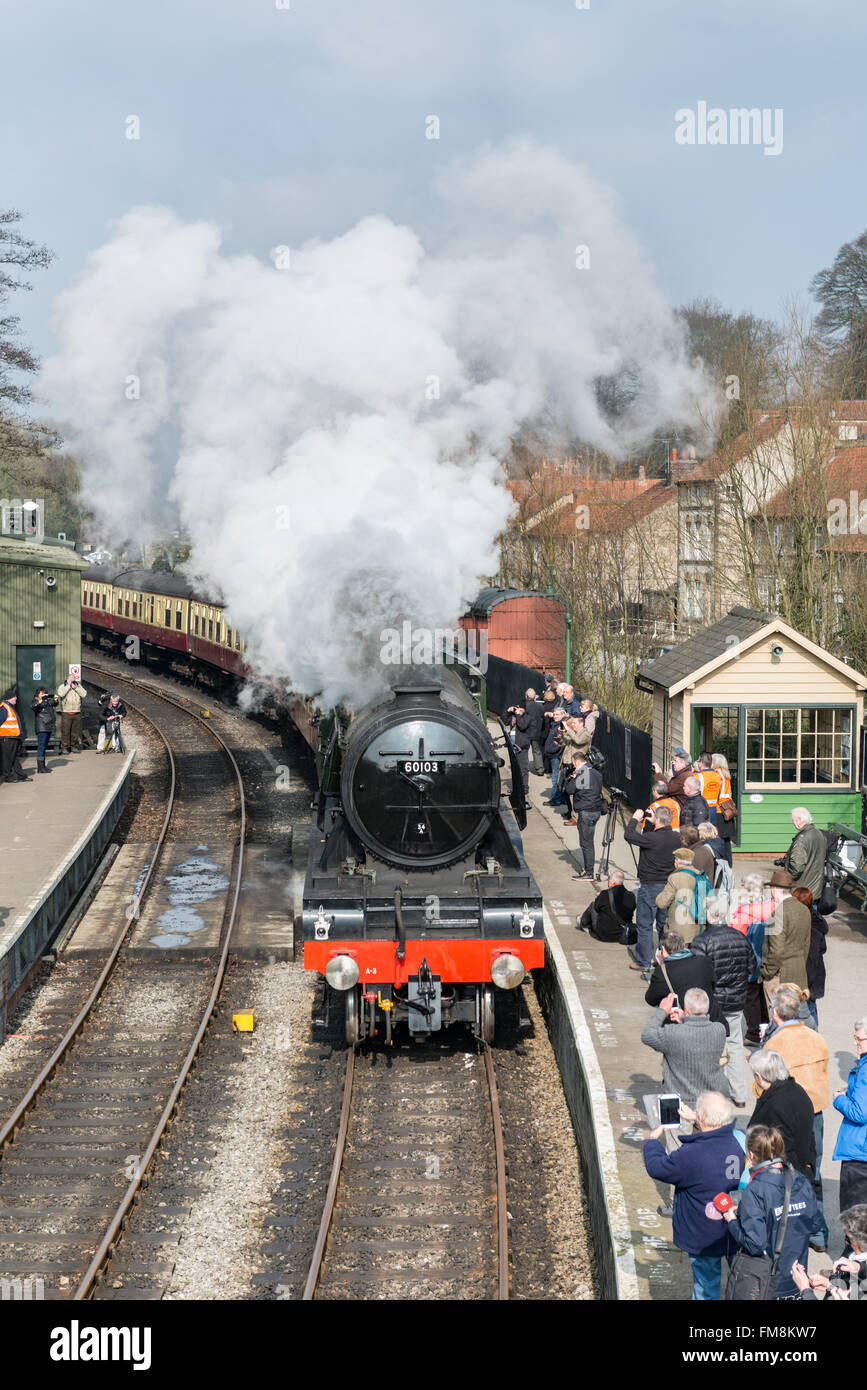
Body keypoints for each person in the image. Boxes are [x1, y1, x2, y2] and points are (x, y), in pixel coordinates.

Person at [643, 1091, 744, 1300]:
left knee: (706, 1286)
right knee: (743, 1280)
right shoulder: (741, 1141)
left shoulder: (690, 1154)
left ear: (700, 1117)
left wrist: (653, 1141)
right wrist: (696, 1118)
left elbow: (658, 1167)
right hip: (736, 1227)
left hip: (702, 1232)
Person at [762, 986, 831, 1251]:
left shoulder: (775, 1043)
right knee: (813, 1170)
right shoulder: (816, 1038)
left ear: (776, 1013)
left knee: (786, 1172)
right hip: (816, 1111)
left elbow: (763, 1087)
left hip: (786, 1115)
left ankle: (791, 1230)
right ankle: (818, 1233)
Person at [721, 1124, 820, 1299]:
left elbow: (754, 1244)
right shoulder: (802, 1181)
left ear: (751, 1155)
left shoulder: (755, 1189)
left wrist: (731, 1221)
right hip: (798, 1279)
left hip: (768, 1282)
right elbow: (814, 1225)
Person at [691, 895, 757, 1108]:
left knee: (709, 1048)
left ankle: (710, 1094)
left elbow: (697, 974)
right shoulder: (741, 937)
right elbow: (751, 967)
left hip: (712, 1003)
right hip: (736, 1002)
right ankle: (739, 1094)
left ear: (709, 914)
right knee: (735, 1046)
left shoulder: (702, 941)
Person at [641, 988, 731, 1106]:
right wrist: (685, 1018)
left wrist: (662, 1010)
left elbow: (647, 1035)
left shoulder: (673, 1033)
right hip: (710, 1103)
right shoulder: (719, 1029)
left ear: (686, 1009)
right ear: (707, 1008)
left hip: (679, 1104)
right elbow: (697, 1034)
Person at [624, 804, 682, 974]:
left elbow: (629, 835)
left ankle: (643, 961)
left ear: (657, 820)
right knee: (664, 924)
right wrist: (653, 821)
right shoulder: (676, 838)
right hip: (668, 886)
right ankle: (663, 957)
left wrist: (635, 818)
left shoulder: (651, 838)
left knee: (645, 924)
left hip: (650, 885)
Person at [748, 1050, 816, 1180]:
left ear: (759, 1077)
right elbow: (809, 1133)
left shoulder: (776, 1106)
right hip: (801, 1167)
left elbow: (783, 1148)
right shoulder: (798, 1090)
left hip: (783, 1179)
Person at [643, 930, 725, 1027]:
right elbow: (713, 985)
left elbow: (651, 999)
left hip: (685, 1025)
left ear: (663, 949)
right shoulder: (704, 962)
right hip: (712, 1021)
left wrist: (662, 965)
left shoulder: (662, 972)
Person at [731, 873, 775, 1044]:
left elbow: (736, 936)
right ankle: (766, 1028)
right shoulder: (772, 906)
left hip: (749, 959)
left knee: (750, 997)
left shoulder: (744, 911)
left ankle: (753, 1033)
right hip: (767, 958)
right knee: (763, 996)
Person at [760, 868, 811, 1008]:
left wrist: (767, 972)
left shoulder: (777, 914)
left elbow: (776, 951)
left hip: (779, 976)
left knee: (778, 1021)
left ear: (774, 889)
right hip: (799, 972)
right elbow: (806, 944)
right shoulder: (804, 910)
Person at [832, 1016, 867, 1210]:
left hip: (859, 1155)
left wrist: (840, 1099)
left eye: (859, 1039)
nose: (855, 1043)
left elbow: (860, 1113)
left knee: (854, 1220)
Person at [655, 845, 705, 944]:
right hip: (698, 929)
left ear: (677, 862)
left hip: (679, 932)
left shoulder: (675, 878)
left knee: (678, 958)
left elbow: (661, 903)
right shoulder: (701, 875)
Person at [565, 750, 604, 880]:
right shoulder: (596, 773)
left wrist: (574, 778)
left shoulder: (583, 773)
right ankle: (588, 869)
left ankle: (589, 872)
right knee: (588, 841)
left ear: (576, 761)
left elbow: (570, 790)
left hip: (587, 812)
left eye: (573, 763)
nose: (573, 766)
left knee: (586, 843)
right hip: (596, 810)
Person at [782, 807, 828, 901]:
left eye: (793, 820)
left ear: (799, 820)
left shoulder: (801, 840)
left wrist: (786, 879)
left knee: (799, 915)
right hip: (815, 890)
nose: (793, 823)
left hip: (801, 892)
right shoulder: (820, 834)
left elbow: (797, 867)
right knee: (811, 915)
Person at [577, 869, 635, 941]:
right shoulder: (631, 896)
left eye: (609, 879)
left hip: (603, 934)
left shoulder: (605, 894)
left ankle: (583, 923)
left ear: (612, 882)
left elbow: (596, 908)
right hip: (622, 933)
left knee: (593, 905)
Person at [803, 889, 828, 1029]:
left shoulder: (810, 927)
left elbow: (811, 957)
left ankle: (813, 1039)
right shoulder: (817, 920)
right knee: (811, 1008)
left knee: (809, 1010)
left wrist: (807, 982)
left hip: (811, 977)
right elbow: (823, 949)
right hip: (817, 973)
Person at [0, 686, 30, 782]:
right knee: (8, 758)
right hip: (7, 738)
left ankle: (21, 775)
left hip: (13, 737)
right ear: (10, 698)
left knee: (14, 758)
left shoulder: (9, 707)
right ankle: (8, 776)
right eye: (14, 697)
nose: (16, 698)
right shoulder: (4, 709)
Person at [712, 753, 736, 867]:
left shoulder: (717, 775)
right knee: (727, 842)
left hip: (719, 811)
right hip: (727, 810)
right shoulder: (726, 775)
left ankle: (721, 866)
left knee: (719, 840)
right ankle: (728, 865)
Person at [544, 707, 568, 808]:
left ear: (563, 715)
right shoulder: (556, 725)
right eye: (554, 714)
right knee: (558, 778)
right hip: (553, 755)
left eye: (557, 714)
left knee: (556, 779)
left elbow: (560, 743)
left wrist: (552, 750)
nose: (555, 716)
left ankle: (555, 799)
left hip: (556, 756)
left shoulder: (561, 726)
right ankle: (559, 798)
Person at [57, 675, 88, 754]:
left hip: (77, 712)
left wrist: (76, 688)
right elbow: (61, 694)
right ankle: (64, 747)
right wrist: (68, 686)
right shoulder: (63, 686)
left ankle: (74, 746)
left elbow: (84, 694)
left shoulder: (78, 686)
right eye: (71, 679)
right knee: (65, 731)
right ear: (67, 679)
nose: (72, 681)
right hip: (66, 712)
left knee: (75, 731)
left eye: (74, 679)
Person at [31, 687, 58, 774]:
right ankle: (40, 768)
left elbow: (54, 704)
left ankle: (43, 766)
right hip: (42, 727)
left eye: (45, 693)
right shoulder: (35, 701)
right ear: (37, 695)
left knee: (44, 746)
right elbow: (33, 707)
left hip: (49, 726)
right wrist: (40, 701)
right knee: (41, 746)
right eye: (42, 693)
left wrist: (56, 700)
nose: (44, 695)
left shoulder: (47, 701)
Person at [695, 751, 723, 823]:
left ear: (701, 763)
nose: (697, 763)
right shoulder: (717, 775)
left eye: (698, 761)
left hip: (701, 808)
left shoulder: (697, 776)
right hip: (713, 809)